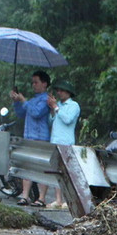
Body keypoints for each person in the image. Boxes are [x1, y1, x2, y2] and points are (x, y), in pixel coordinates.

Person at [10, 70, 51, 207]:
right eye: (32, 82)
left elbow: (36, 113)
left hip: (40, 137)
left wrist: (23, 100)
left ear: (44, 84)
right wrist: (17, 102)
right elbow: (22, 113)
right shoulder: (33, 100)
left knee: (40, 167)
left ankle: (42, 198)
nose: (33, 85)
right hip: (28, 136)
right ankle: (25, 196)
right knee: (27, 166)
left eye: (36, 82)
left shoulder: (46, 100)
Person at [46, 80, 81, 209]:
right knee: (57, 171)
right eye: (58, 91)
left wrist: (56, 107)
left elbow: (67, 120)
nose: (59, 93)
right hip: (55, 140)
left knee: (67, 172)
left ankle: (69, 199)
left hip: (66, 142)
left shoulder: (74, 106)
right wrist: (52, 109)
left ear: (68, 92)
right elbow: (51, 122)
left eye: (61, 90)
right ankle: (58, 199)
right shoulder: (58, 105)